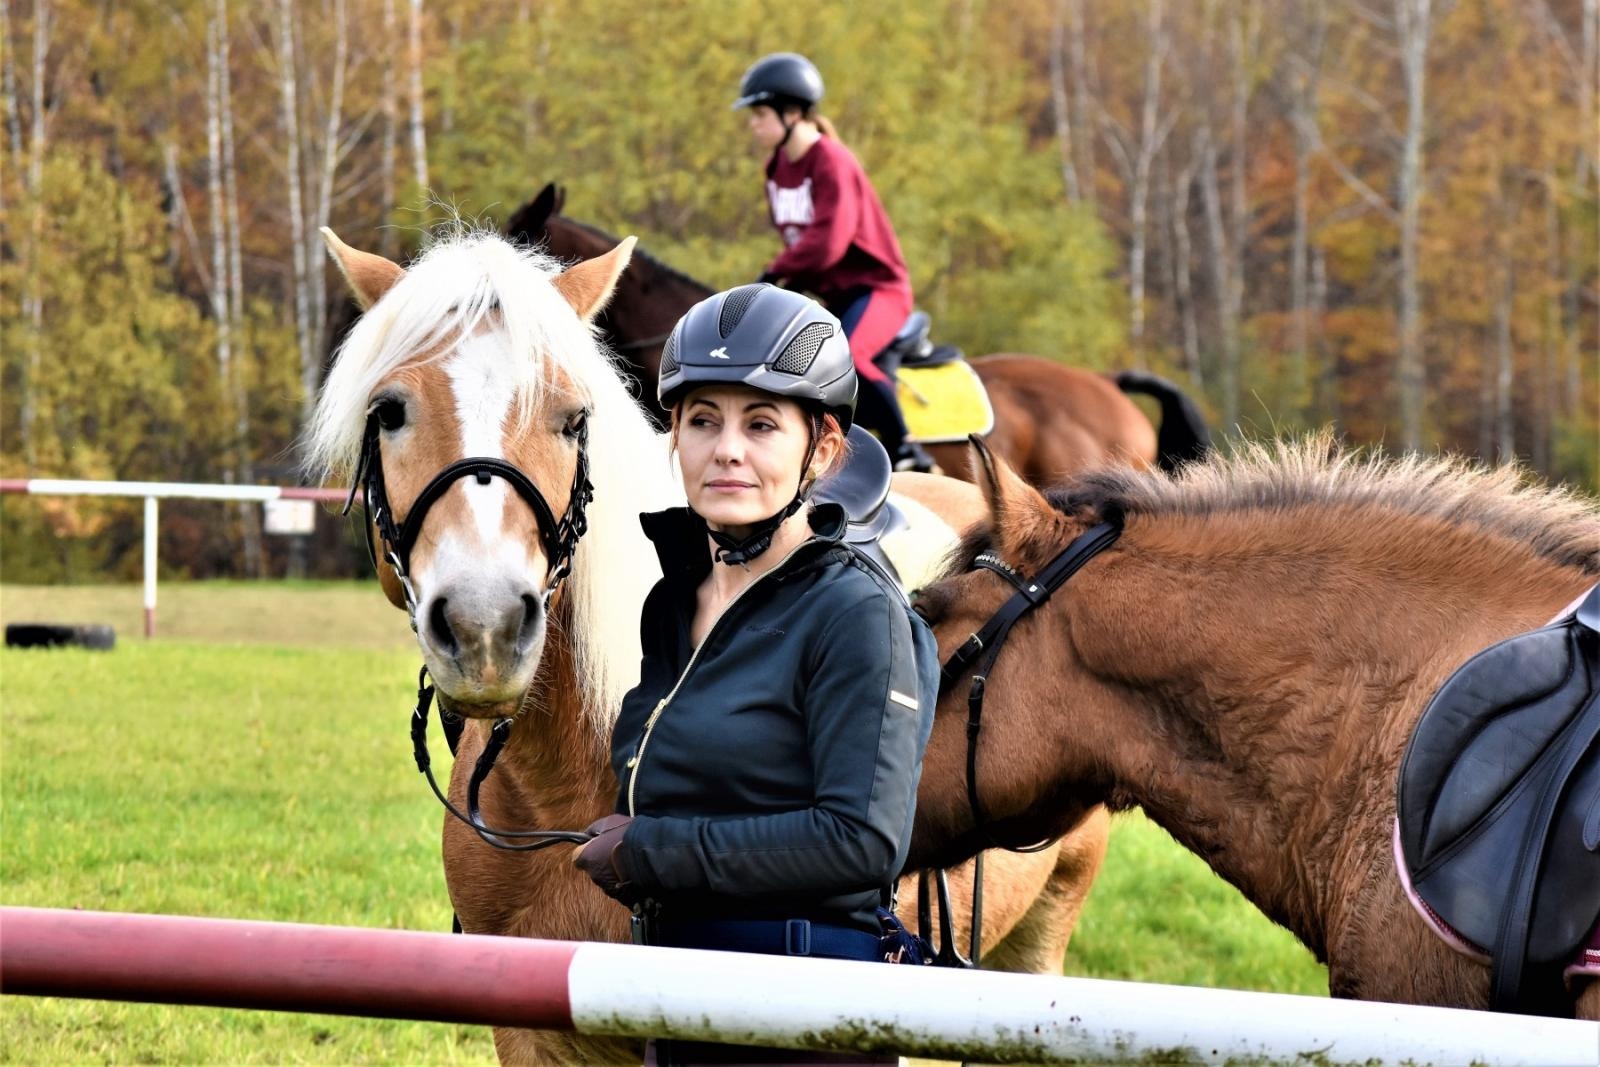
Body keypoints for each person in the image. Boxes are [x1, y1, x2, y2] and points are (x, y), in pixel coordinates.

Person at [575, 284, 940, 1066]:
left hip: (805, 1018)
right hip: (677, 1001)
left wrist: (650, 852)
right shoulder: (673, 601)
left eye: (762, 424)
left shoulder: (854, 611)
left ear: (825, 449)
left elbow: (860, 841)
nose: (727, 449)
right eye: (702, 420)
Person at [733, 51, 938, 475]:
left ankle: (908, 449)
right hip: (833, 296)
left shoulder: (832, 160)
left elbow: (828, 243)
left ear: (792, 113)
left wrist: (776, 271)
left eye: (760, 114)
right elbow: (801, 241)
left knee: (847, 358)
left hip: (879, 290)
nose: (753, 124)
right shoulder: (776, 168)